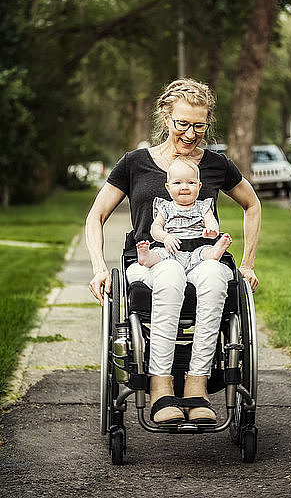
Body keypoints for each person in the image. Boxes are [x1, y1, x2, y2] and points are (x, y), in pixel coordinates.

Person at [86, 78, 261, 425]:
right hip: (151, 262)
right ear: (166, 117)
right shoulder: (135, 163)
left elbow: (252, 205)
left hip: (201, 259)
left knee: (215, 277)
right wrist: (98, 267)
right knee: (168, 276)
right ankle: (160, 387)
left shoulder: (215, 164)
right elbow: (97, 215)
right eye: (183, 123)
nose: (191, 133)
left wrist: (248, 263)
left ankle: (196, 388)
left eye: (199, 125)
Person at [136, 156, 233, 272]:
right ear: (168, 187)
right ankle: (146, 257)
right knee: (158, 254)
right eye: (177, 183)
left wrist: (212, 230)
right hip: (171, 248)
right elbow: (155, 228)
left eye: (191, 182)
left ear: (199, 186)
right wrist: (165, 237)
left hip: (198, 246)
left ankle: (215, 252)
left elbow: (211, 221)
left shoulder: (203, 207)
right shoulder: (165, 207)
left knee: (206, 253)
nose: (184, 187)